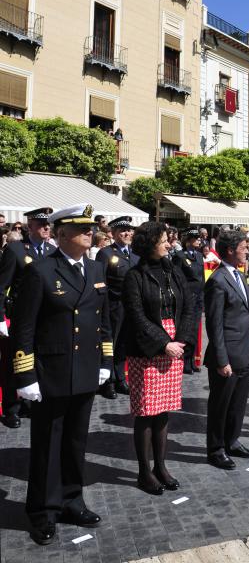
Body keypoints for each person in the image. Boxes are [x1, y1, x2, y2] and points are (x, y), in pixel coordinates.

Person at [10, 204, 113, 546]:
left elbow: (104, 320)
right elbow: (24, 329)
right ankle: (42, 511)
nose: (90, 231)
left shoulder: (96, 268)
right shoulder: (39, 271)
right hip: (51, 372)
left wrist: (106, 361)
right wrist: (25, 376)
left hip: (84, 370)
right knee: (47, 446)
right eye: (81, 228)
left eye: (91, 227)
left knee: (75, 442)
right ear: (62, 234)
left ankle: (72, 500)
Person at [122, 222, 196, 495]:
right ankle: (144, 471)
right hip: (148, 349)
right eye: (165, 239)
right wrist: (165, 343)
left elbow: (188, 305)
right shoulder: (134, 276)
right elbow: (137, 317)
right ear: (151, 242)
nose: (169, 243)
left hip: (174, 346)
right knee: (146, 412)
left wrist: (182, 340)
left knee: (163, 410)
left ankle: (160, 466)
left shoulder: (173, 270)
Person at [204, 230, 249, 469]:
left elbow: (246, 316)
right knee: (220, 405)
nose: (247, 250)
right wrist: (221, 359)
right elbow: (214, 325)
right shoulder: (217, 280)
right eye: (244, 246)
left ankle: (232, 440)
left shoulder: (239, 275)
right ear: (230, 250)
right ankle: (216, 448)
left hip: (244, 352)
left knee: (238, 403)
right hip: (226, 356)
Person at [0, 207, 56, 429]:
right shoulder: (15, 249)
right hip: (20, 316)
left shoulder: (51, 251)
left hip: (43, 317)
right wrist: (1, 318)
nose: (46, 228)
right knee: (14, 362)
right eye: (41, 224)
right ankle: (11, 407)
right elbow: (2, 285)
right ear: (29, 226)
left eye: (48, 224)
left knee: (36, 361)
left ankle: (30, 402)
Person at [96, 216, 139, 398]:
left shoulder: (135, 254)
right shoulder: (105, 253)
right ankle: (107, 381)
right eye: (122, 230)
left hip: (132, 307)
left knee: (124, 344)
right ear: (113, 233)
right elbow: (100, 283)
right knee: (110, 344)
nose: (127, 233)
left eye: (129, 230)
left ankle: (121, 377)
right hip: (113, 307)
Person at [174, 229, 205, 374]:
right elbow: (177, 279)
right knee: (187, 330)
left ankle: (192, 360)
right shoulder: (180, 256)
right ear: (188, 241)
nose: (199, 240)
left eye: (199, 238)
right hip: (187, 299)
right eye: (196, 238)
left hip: (198, 299)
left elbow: (202, 278)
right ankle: (185, 361)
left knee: (195, 330)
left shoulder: (199, 256)